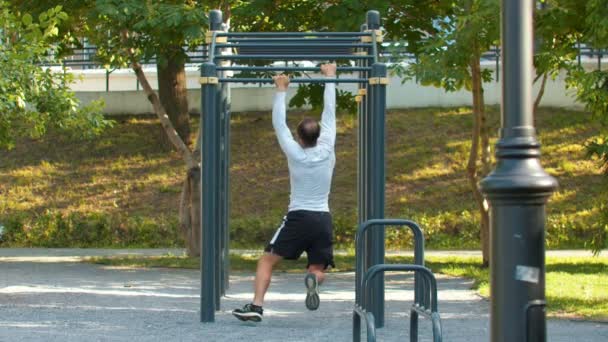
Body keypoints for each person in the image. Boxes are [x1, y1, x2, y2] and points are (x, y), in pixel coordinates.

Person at [232, 63, 338, 322]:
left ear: (299, 138)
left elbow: (279, 124)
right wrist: (330, 77)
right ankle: (313, 279)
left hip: (299, 217)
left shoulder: (295, 152)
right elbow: (330, 112)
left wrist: (281, 90)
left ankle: (256, 307)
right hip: (322, 219)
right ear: (320, 135)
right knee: (317, 267)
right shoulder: (327, 149)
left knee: (266, 261)